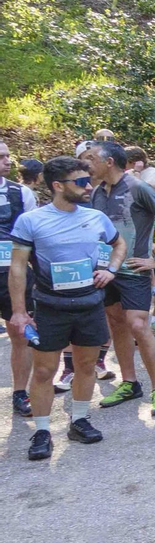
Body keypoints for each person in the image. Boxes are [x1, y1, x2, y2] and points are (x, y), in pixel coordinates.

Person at [9, 156, 126, 460]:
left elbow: (119, 244)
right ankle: (42, 431)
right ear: (58, 186)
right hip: (51, 307)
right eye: (81, 182)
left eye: (89, 180)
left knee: (86, 366)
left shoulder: (95, 217)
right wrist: (19, 311)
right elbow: (18, 267)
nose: (88, 187)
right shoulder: (31, 221)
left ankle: (80, 420)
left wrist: (111, 270)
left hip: (90, 304)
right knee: (44, 370)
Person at [81, 141, 155, 416]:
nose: (87, 164)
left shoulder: (138, 187)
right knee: (116, 323)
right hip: (105, 270)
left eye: (92, 158)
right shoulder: (96, 191)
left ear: (109, 161)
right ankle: (130, 383)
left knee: (138, 324)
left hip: (134, 269)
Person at [1, 140, 40, 415]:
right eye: (0, 156)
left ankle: (20, 393)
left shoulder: (21, 192)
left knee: (20, 332)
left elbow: (34, 236)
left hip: (13, 273)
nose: (7, 160)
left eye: (7, 155)